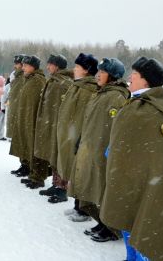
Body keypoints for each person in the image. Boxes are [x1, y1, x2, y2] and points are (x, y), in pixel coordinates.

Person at [100, 57, 163, 260]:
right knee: (129, 221)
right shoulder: (137, 104)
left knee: (142, 224)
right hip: (131, 179)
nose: (130, 77)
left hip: (144, 182)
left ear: (146, 80)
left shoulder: (150, 110)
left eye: (135, 74)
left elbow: (159, 153)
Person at [68, 58, 129, 242]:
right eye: (98, 71)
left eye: (102, 72)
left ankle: (111, 228)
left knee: (105, 188)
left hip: (105, 150)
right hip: (93, 147)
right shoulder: (101, 93)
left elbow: (117, 127)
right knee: (96, 187)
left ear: (113, 76)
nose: (98, 75)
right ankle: (103, 222)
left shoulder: (117, 96)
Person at [53, 53, 98, 220]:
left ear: (86, 71)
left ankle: (84, 209)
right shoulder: (78, 85)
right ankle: (77, 205)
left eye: (77, 67)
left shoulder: (88, 89)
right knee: (74, 172)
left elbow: (85, 116)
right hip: (70, 136)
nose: (74, 69)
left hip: (78, 137)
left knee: (80, 173)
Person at [33, 54, 73, 197]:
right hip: (51, 123)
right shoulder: (54, 81)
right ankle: (56, 184)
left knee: (60, 156)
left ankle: (62, 188)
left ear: (57, 66)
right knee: (53, 155)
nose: (48, 66)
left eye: (50, 64)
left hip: (60, 125)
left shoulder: (64, 83)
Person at [16, 55, 47, 189]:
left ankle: (37, 177)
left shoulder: (38, 81)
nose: (23, 68)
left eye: (26, 66)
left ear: (33, 67)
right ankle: (31, 173)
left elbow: (37, 104)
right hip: (26, 119)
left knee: (35, 148)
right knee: (28, 146)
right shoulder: (28, 79)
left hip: (34, 121)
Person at [8, 55, 29, 176]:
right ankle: (23, 164)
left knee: (23, 140)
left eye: (17, 63)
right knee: (19, 140)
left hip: (20, 111)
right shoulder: (16, 75)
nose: (15, 66)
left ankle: (26, 165)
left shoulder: (23, 77)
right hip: (16, 109)